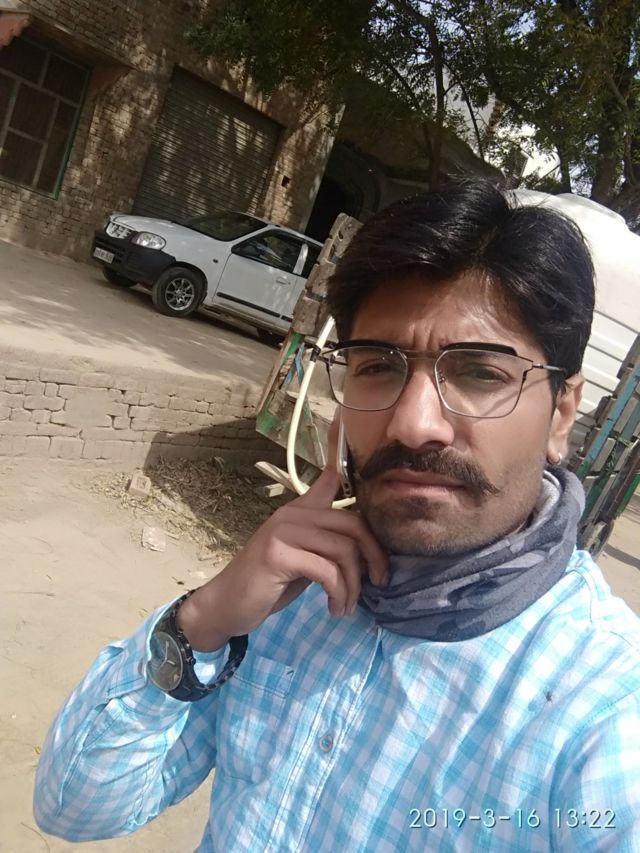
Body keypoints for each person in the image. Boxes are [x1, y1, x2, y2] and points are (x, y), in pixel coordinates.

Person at [34, 180, 640, 851]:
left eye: (480, 373)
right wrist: (200, 621)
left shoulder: (604, 717)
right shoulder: (284, 597)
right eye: (378, 366)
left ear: (561, 413)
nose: (412, 424)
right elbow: (74, 810)